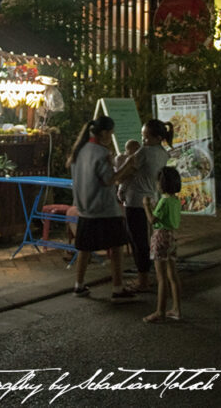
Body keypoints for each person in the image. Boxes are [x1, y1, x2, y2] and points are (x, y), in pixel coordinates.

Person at [67, 116, 136, 302]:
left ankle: (79, 285)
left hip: (84, 207)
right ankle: (118, 288)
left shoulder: (79, 151)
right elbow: (108, 180)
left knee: (85, 247)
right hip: (105, 208)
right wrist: (127, 166)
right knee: (116, 247)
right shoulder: (100, 153)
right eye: (111, 133)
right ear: (105, 133)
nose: (110, 137)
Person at [114, 120, 174, 292]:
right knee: (145, 239)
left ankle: (143, 280)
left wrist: (113, 178)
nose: (143, 141)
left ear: (158, 137)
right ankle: (148, 276)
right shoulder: (163, 153)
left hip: (136, 201)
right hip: (152, 200)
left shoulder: (145, 152)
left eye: (146, 137)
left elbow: (125, 170)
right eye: (143, 137)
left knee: (138, 241)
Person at [142, 166, 182, 323]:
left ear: (162, 183)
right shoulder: (175, 200)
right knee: (173, 275)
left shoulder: (163, 201)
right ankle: (177, 309)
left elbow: (152, 220)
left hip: (160, 237)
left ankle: (160, 311)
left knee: (161, 278)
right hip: (172, 236)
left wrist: (146, 205)